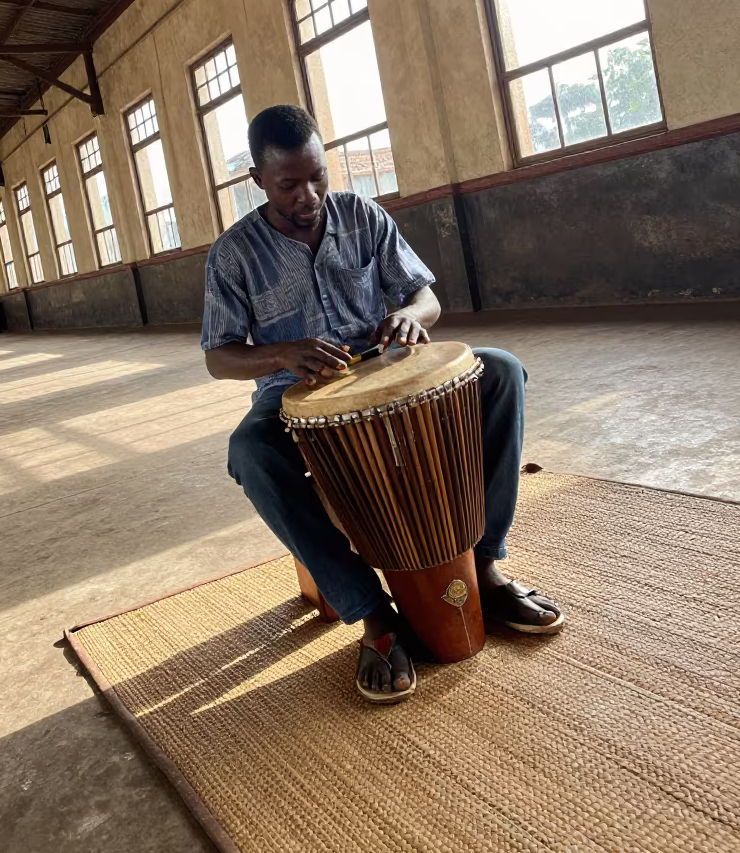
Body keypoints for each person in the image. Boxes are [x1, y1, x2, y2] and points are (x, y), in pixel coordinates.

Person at [202, 105, 564, 705]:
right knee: (250, 451)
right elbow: (219, 357)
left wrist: (407, 315)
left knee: (499, 370)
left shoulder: (362, 216)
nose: (308, 194)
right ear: (257, 180)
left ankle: (485, 564)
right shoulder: (234, 254)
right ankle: (372, 611)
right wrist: (282, 353)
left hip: (387, 368)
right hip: (297, 397)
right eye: (289, 184)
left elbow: (425, 299)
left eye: (317, 175)